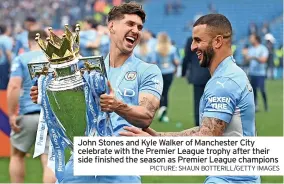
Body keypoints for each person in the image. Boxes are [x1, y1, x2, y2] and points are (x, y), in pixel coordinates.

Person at [30, 2, 163, 183]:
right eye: (130, 24)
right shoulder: (86, 70)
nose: (136, 30)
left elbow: (146, 116)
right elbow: (72, 112)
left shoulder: (148, 70)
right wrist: (49, 96)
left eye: (139, 27)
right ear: (111, 26)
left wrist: (118, 106)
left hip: (122, 166)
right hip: (81, 162)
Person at [120, 14, 260, 184]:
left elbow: (206, 138)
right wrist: (159, 137)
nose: (193, 47)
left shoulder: (224, 82)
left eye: (198, 40)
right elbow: (207, 129)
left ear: (217, 41)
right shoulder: (230, 74)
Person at [7, 30, 56, 183]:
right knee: (49, 159)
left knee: (17, 155)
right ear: (47, 42)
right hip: (51, 116)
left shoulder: (21, 58)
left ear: (29, 42)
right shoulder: (54, 60)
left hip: (28, 114)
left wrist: (11, 114)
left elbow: (14, 86)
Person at [182, 36, 210, 126]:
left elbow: (186, 57)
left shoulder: (191, 40)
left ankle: (198, 123)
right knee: (210, 100)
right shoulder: (209, 38)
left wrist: (183, 72)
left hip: (197, 74)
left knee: (198, 101)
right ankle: (209, 122)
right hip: (210, 74)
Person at [154, 32, 179, 123]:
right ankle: (163, 113)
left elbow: (154, 62)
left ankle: (160, 110)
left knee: (159, 92)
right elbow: (176, 61)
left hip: (159, 72)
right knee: (166, 92)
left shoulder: (156, 49)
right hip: (169, 72)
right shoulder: (172, 49)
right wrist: (176, 68)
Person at [244, 34, 269, 112]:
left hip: (260, 73)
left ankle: (266, 106)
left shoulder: (263, 49)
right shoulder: (250, 49)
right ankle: (256, 106)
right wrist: (245, 55)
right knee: (253, 90)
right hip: (252, 73)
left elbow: (264, 60)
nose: (250, 39)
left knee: (262, 89)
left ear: (256, 39)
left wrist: (254, 57)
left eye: (252, 38)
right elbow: (247, 60)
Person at [0, 24, 13, 90]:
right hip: (4, 64)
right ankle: (3, 100)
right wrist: (11, 65)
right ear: (7, 30)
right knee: (4, 84)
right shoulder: (7, 39)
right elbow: (8, 53)